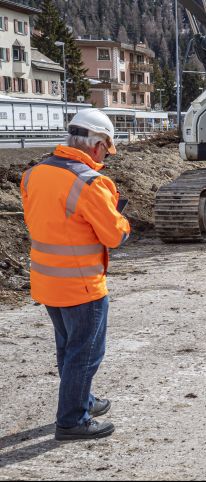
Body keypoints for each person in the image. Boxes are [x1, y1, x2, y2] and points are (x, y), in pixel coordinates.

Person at [19, 109, 130, 441]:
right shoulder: (90, 183)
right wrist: (122, 221)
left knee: (69, 347)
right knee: (86, 352)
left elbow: (40, 223)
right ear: (96, 144)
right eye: (105, 151)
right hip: (82, 286)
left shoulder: (34, 174)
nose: (105, 158)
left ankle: (81, 400)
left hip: (46, 280)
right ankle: (71, 420)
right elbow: (115, 236)